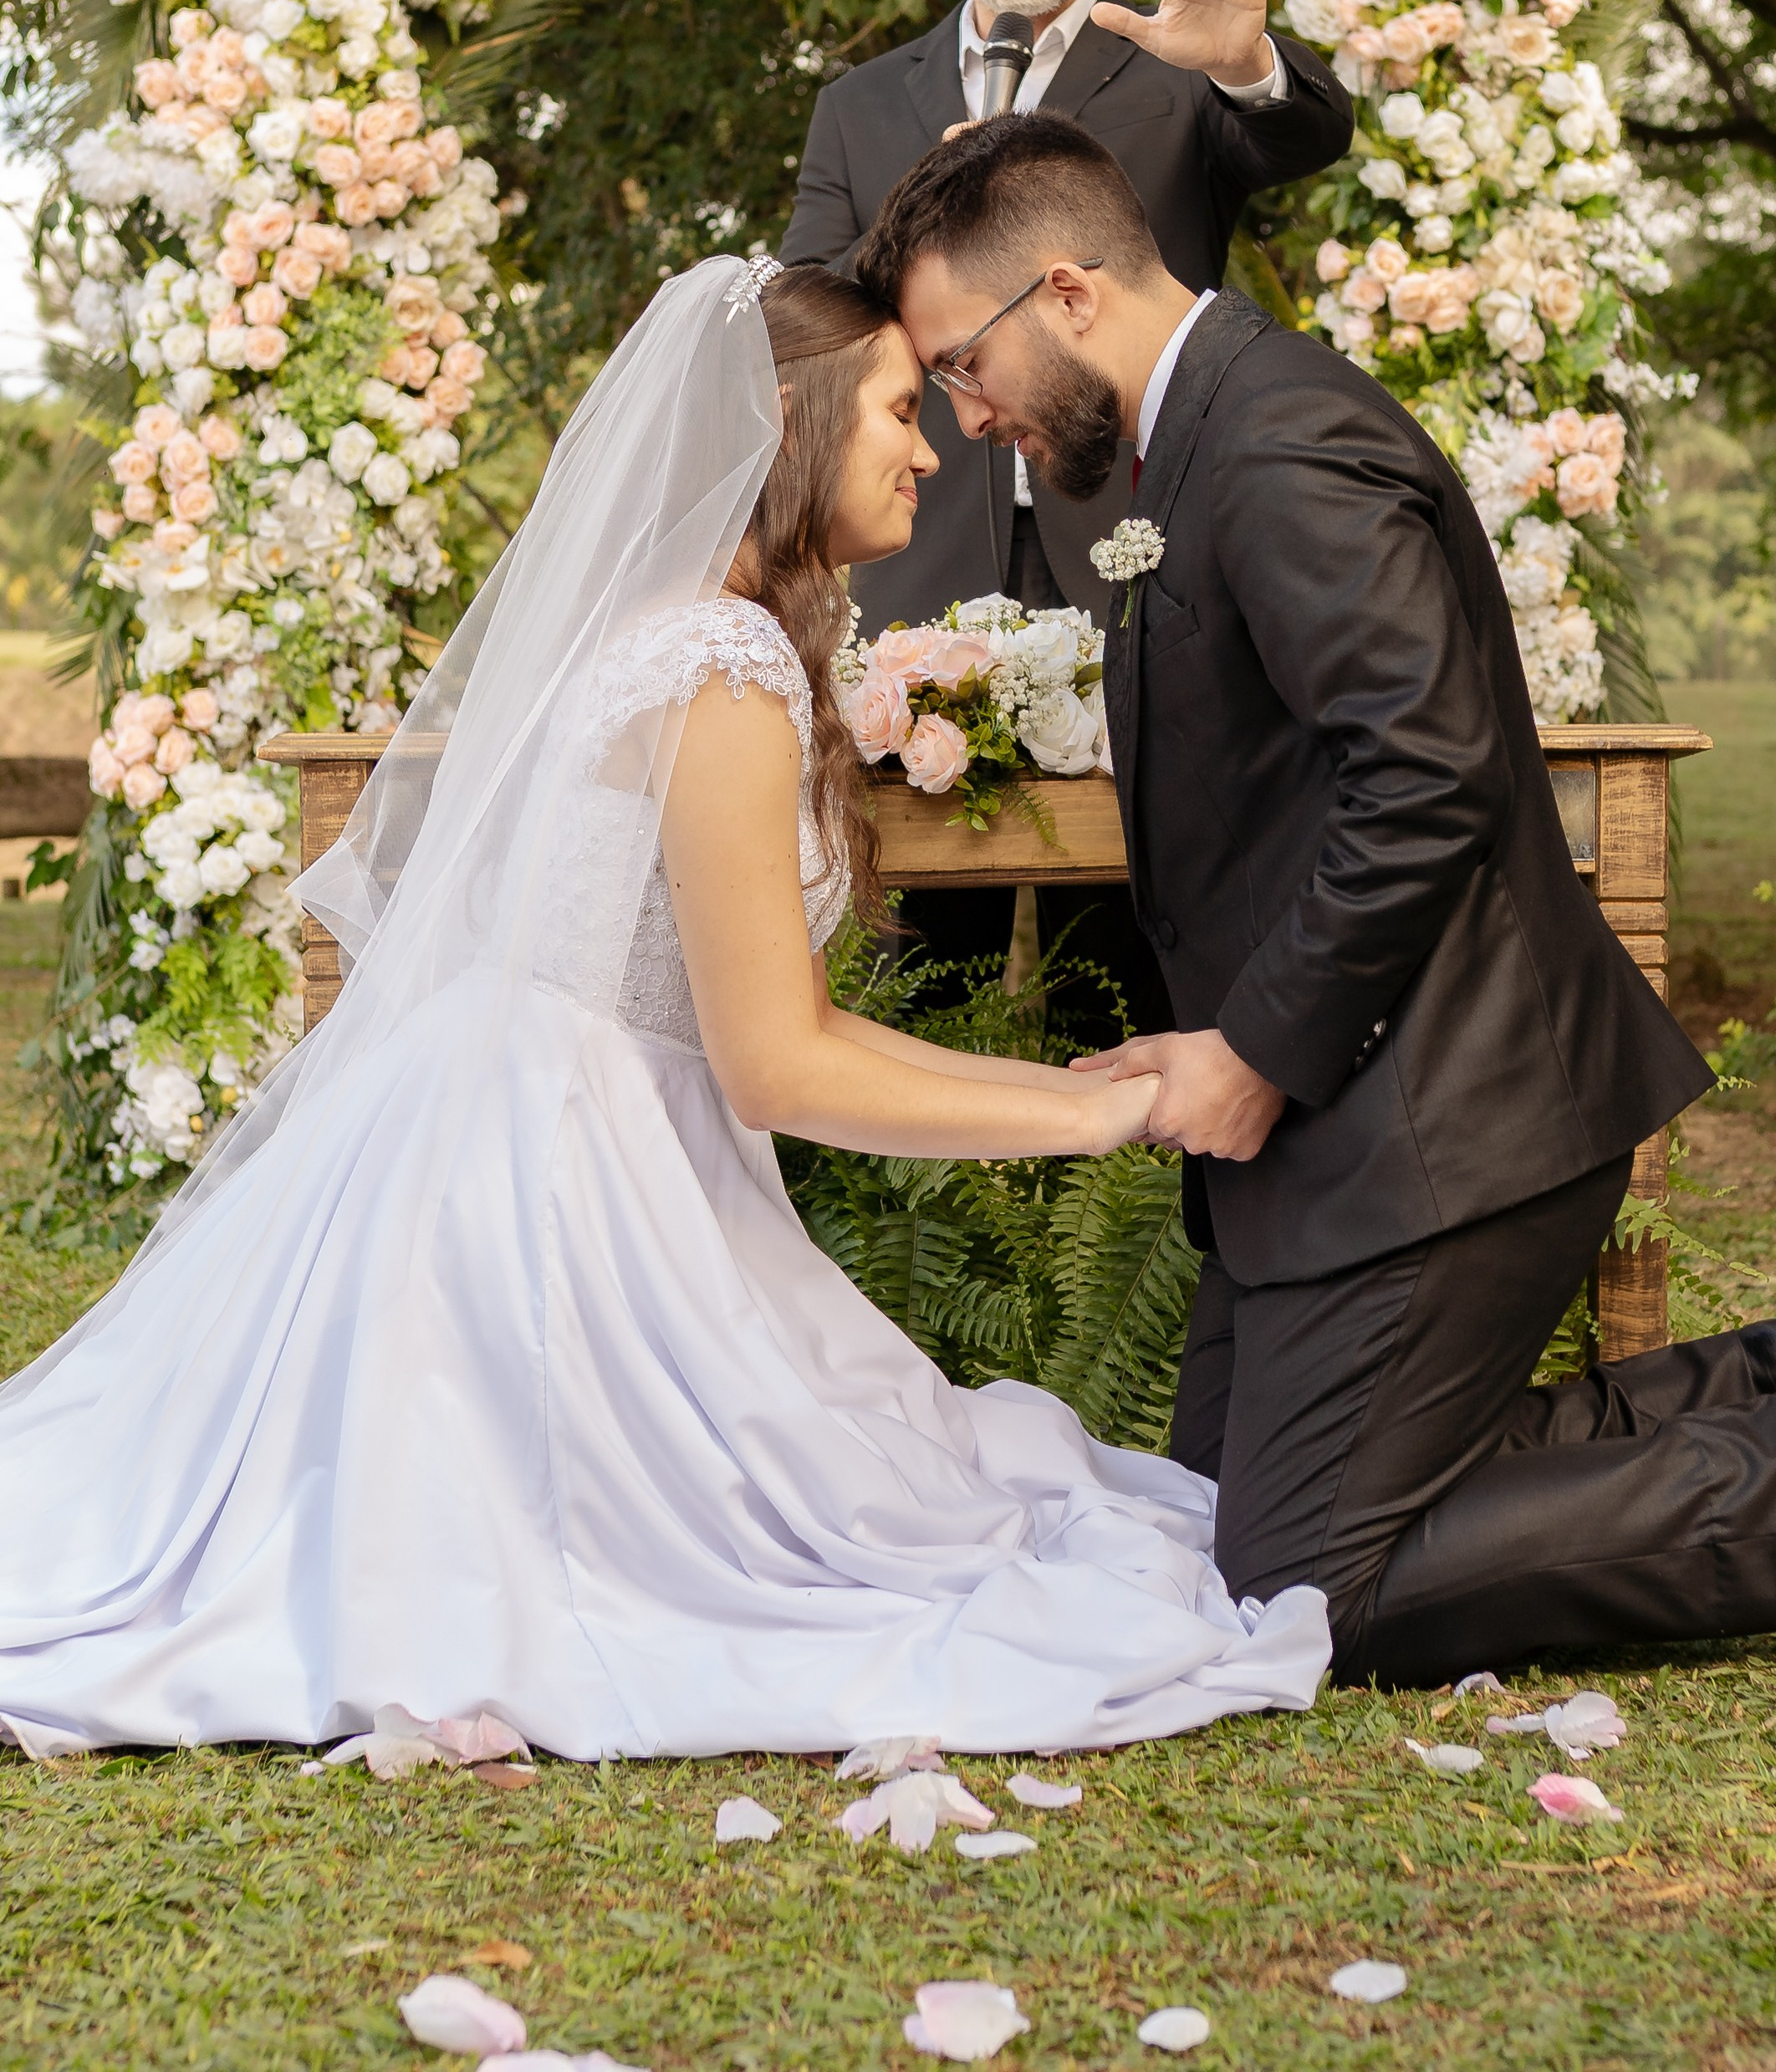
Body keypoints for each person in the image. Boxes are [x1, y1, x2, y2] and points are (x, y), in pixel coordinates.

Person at [0, 258, 1328, 1761]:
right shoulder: (720, 665)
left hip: (556, 1122)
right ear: (792, 421)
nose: (933, 443)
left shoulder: (694, 632)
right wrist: (1097, 1116)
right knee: (789, 1549)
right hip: (557, 1195)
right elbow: (774, 1064)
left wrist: (1095, 1092)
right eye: (902, 406)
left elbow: (790, 1017)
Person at [856, 115, 1776, 1698]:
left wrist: (1253, 1049)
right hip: (1344, 1128)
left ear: (1062, 292)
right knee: (1205, 1518)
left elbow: (1431, 771)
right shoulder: (1175, 446)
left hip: (1455, 1111)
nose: (966, 414)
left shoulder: (1274, 445)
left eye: (960, 364)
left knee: (1306, 1590)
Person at [781, 0, 1353, 1033]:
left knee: (1149, 943)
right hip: (926, 585)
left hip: (1146, 571)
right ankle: (950, 1218)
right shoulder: (864, 107)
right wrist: (918, 229)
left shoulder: (1173, 69)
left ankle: (1157, 1212)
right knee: (924, 963)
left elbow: (1302, 137)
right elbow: (806, 310)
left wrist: (1246, 67)